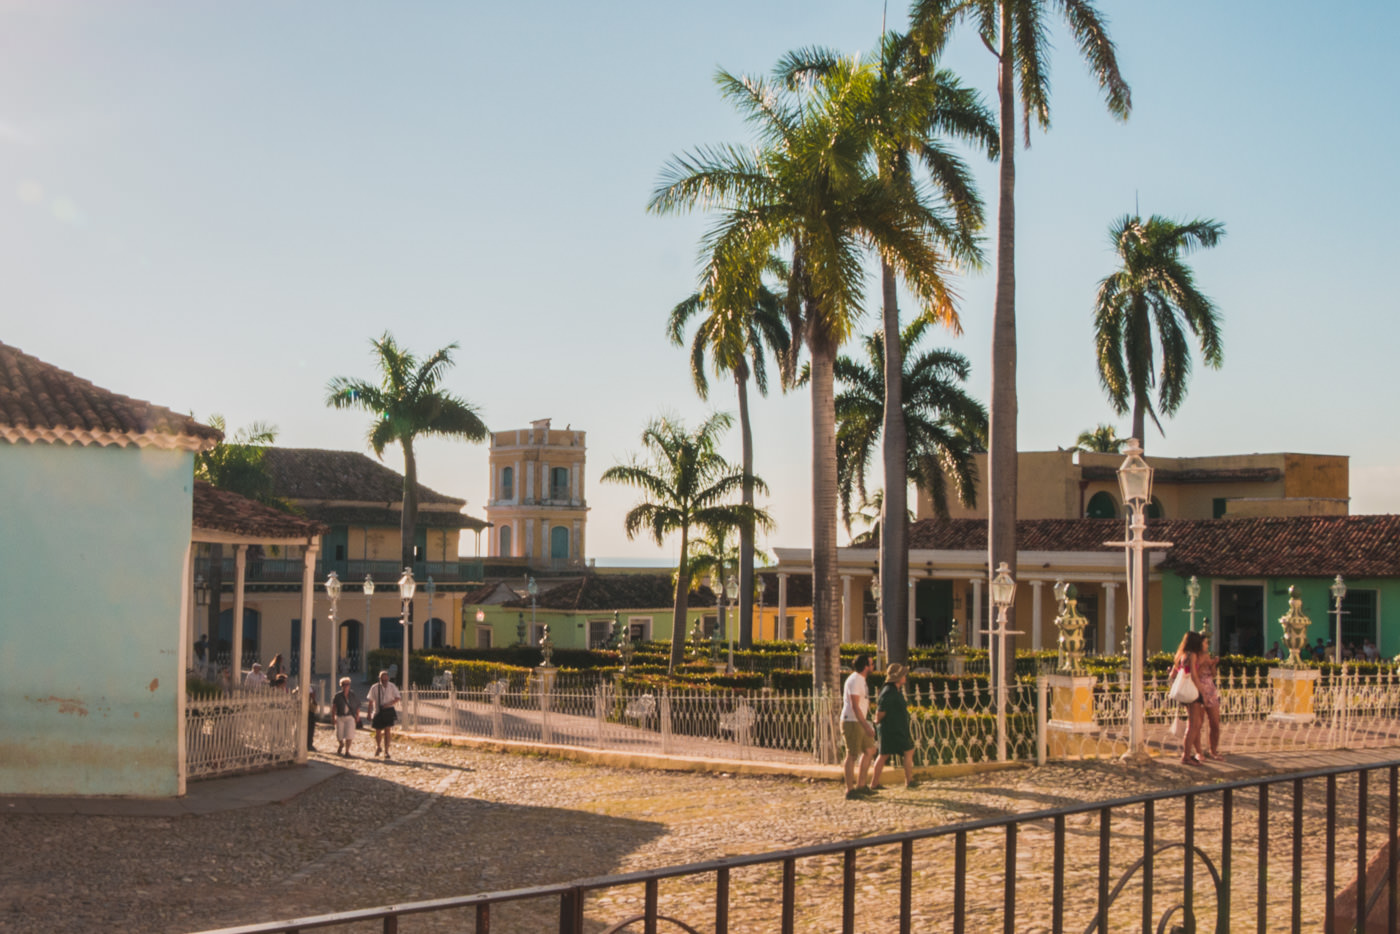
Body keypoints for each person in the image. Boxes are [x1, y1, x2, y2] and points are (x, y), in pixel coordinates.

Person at [872, 664, 916, 789]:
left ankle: (875, 783)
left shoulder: (893, 690)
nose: (905, 677)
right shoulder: (888, 692)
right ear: (898, 677)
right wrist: (877, 720)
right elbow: (880, 712)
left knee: (887, 754)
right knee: (901, 752)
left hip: (896, 728)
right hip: (892, 729)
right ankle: (908, 781)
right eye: (903, 675)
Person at [841, 654, 878, 798]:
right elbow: (855, 706)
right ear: (865, 666)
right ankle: (850, 790)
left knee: (870, 750)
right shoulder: (855, 680)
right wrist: (866, 726)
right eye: (871, 663)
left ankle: (861, 785)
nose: (873, 666)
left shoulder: (861, 680)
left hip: (859, 721)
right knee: (852, 754)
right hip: (852, 721)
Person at [1172, 631, 1207, 766]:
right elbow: (1193, 674)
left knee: (1195, 723)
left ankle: (1188, 753)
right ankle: (1186, 755)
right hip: (1192, 691)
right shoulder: (1191, 655)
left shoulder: (1183, 654)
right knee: (1194, 724)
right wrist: (1202, 691)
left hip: (1188, 691)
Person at [1197, 643, 1224, 761]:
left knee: (1215, 722)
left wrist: (1213, 664)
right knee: (1198, 723)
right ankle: (1199, 751)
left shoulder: (1207, 655)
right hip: (1199, 689)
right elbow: (1193, 672)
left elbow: (1213, 674)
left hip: (1210, 689)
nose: (1207, 645)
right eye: (1205, 642)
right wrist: (1202, 663)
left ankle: (1213, 750)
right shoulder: (1195, 656)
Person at [367, 669, 402, 759]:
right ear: (380, 679)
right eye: (383, 680)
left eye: (386, 680)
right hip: (378, 711)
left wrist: (389, 704)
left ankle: (386, 750)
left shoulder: (392, 686)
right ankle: (378, 746)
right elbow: (370, 701)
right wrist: (369, 713)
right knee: (378, 731)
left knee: (387, 731)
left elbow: (398, 697)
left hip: (388, 710)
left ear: (388, 679)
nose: (385, 681)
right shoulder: (374, 687)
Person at [331, 677, 361, 757]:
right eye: (344, 684)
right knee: (339, 734)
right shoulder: (337, 696)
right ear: (341, 686)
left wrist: (358, 716)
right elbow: (334, 707)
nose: (346, 686)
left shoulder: (353, 695)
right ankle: (341, 744)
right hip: (340, 716)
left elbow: (357, 706)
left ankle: (347, 751)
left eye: (347, 684)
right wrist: (333, 717)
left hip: (350, 716)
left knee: (349, 734)